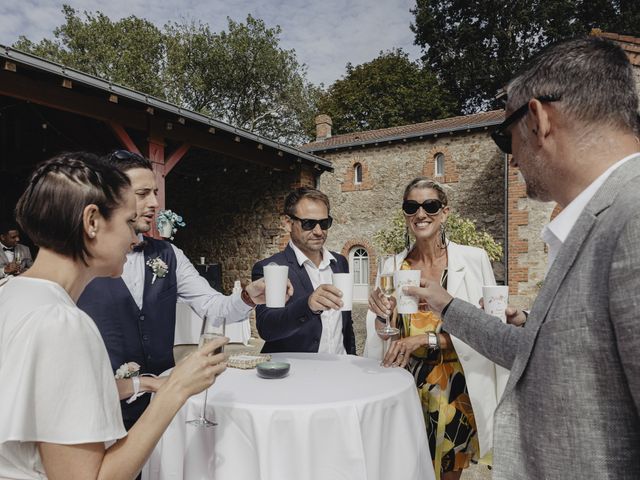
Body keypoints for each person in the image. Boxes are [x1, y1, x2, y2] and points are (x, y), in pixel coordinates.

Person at [404, 37, 640, 480]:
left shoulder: (632, 219)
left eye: (503, 137)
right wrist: (448, 306)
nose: (510, 160)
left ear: (537, 119)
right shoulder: (598, 220)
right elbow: (537, 355)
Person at [0, 152, 227, 479]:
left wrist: (144, 382)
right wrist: (177, 389)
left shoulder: (12, 294)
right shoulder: (63, 323)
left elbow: (51, 391)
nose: (135, 238)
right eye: (126, 222)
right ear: (92, 222)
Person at [77, 151, 275, 429]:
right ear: (109, 198)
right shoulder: (80, 257)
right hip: (98, 411)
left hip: (163, 404)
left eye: (154, 192)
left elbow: (212, 307)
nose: (155, 203)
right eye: (143, 193)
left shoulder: (169, 254)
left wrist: (246, 297)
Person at [365, 178, 507, 480]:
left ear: (444, 213)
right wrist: (380, 316)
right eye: (411, 206)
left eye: (430, 206)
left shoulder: (472, 259)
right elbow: (384, 333)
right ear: (404, 214)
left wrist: (424, 339)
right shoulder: (392, 266)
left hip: (455, 387)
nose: (420, 214)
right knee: (403, 469)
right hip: (405, 384)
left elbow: (487, 328)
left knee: (446, 475)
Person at [252, 187, 356, 354]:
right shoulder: (271, 268)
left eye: (324, 223)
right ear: (287, 223)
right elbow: (267, 329)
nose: (318, 231)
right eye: (308, 223)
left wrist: (352, 359)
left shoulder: (340, 262)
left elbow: (346, 324)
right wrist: (307, 306)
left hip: (341, 369)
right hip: (297, 374)